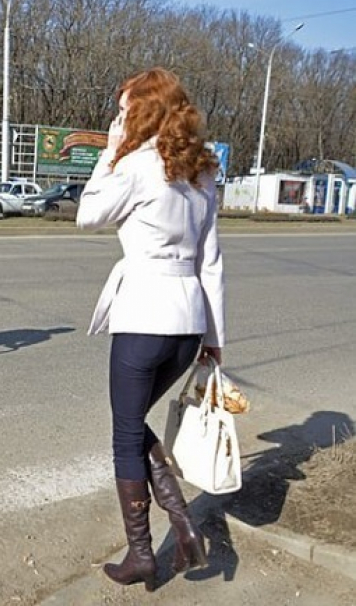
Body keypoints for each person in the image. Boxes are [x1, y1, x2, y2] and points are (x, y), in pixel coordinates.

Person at [76, 68, 225, 591]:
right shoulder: (203, 174)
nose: (116, 122)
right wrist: (214, 337)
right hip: (187, 327)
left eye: (122, 112)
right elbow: (211, 262)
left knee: (125, 433)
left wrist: (109, 152)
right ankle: (183, 527)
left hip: (143, 319)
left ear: (143, 112)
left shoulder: (137, 166)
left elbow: (87, 215)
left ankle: (145, 554)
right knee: (133, 423)